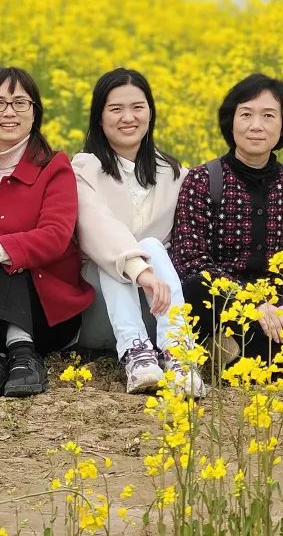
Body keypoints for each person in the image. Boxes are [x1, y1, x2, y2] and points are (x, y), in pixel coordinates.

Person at [0, 67, 91, 401]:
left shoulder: (54, 168)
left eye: (20, 103)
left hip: (45, 315)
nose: (9, 112)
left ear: (34, 113)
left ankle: (24, 354)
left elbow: (56, 235)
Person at [170, 74, 283, 365]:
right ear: (231, 122)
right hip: (225, 303)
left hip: (280, 310)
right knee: (196, 287)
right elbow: (191, 260)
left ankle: (238, 352)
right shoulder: (203, 180)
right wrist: (254, 304)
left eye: (268, 116)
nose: (256, 125)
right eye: (246, 114)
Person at [73, 68, 204, 396]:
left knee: (150, 245)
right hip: (99, 307)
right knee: (127, 251)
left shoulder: (175, 174)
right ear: (99, 118)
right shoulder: (82, 169)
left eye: (137, 107)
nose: (128, 117)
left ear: (150, 113)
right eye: (115, 109)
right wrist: (139, 270)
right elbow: (95, 229)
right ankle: (137, 353)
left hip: (157, 307)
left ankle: (174, 353)